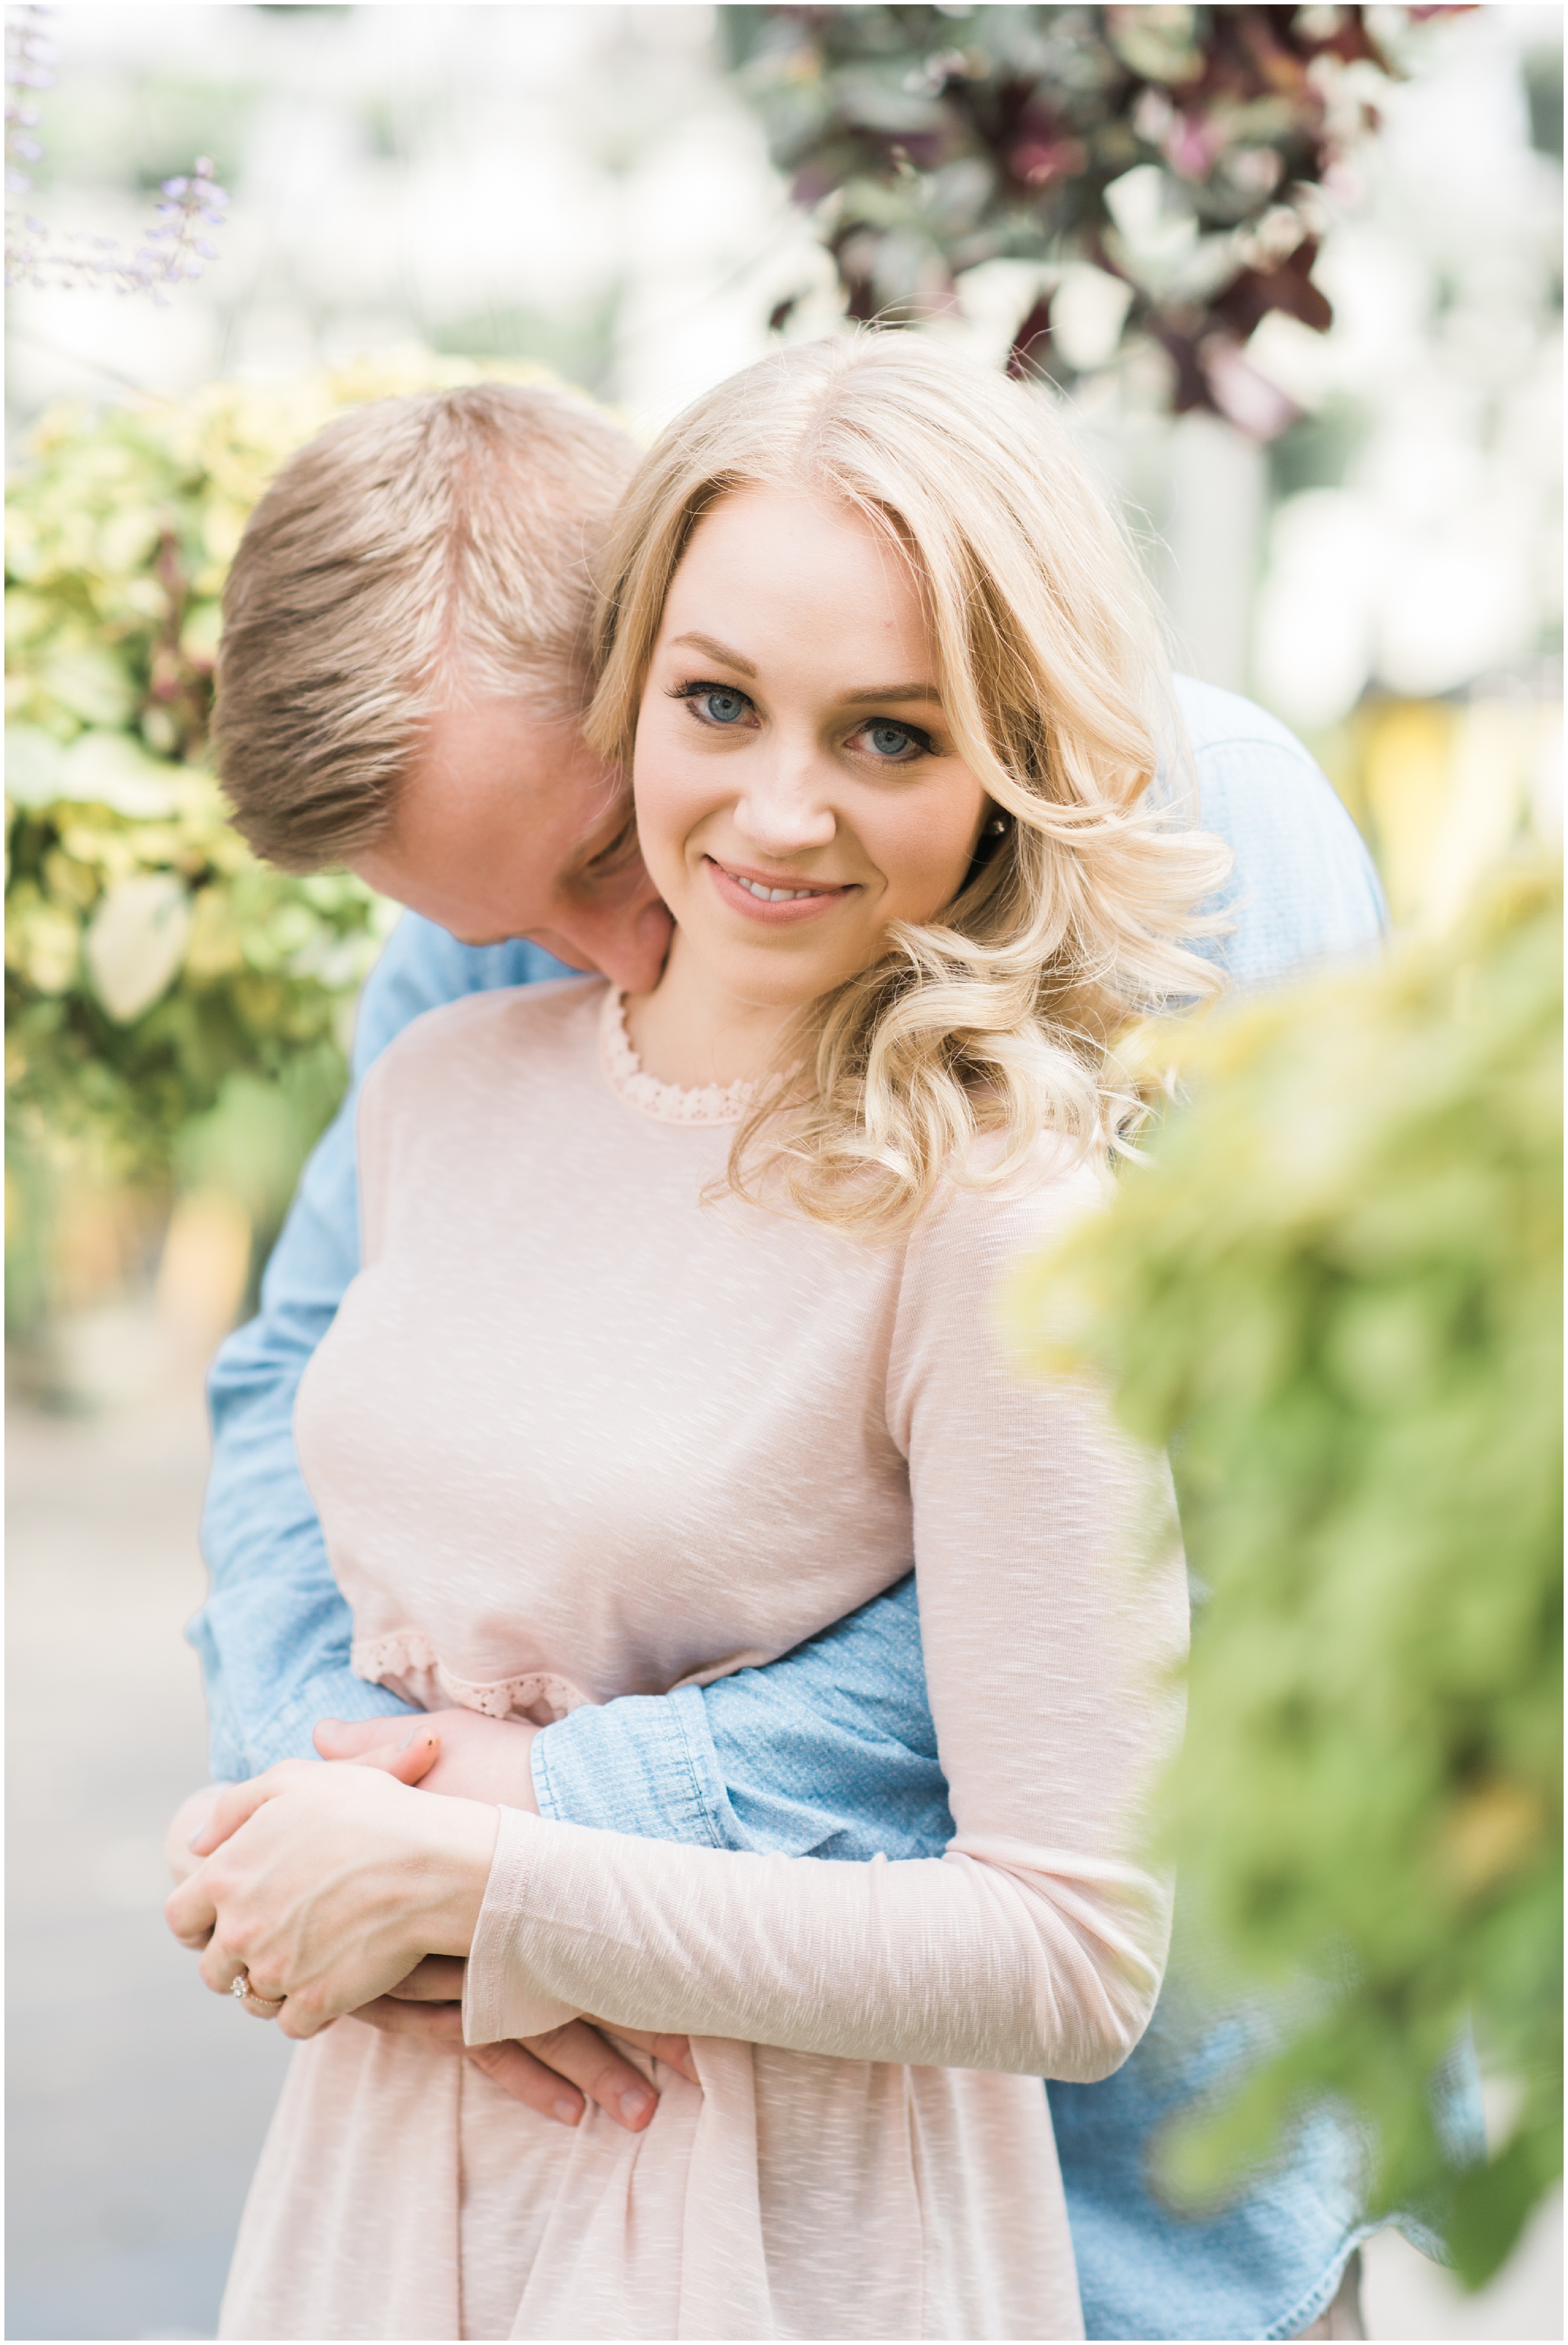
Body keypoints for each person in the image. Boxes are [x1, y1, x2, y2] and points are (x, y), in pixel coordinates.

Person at [177, 370, 1395, 2341]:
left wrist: (546, 1825)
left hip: (1121, 2206)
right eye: (712, 724)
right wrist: (326, 1804)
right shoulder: (511, 931)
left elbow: (1235, 1538)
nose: (618, 955)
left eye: (588, 873)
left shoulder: (1208, 845)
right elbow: (300, 1378)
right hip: (571, 2200)